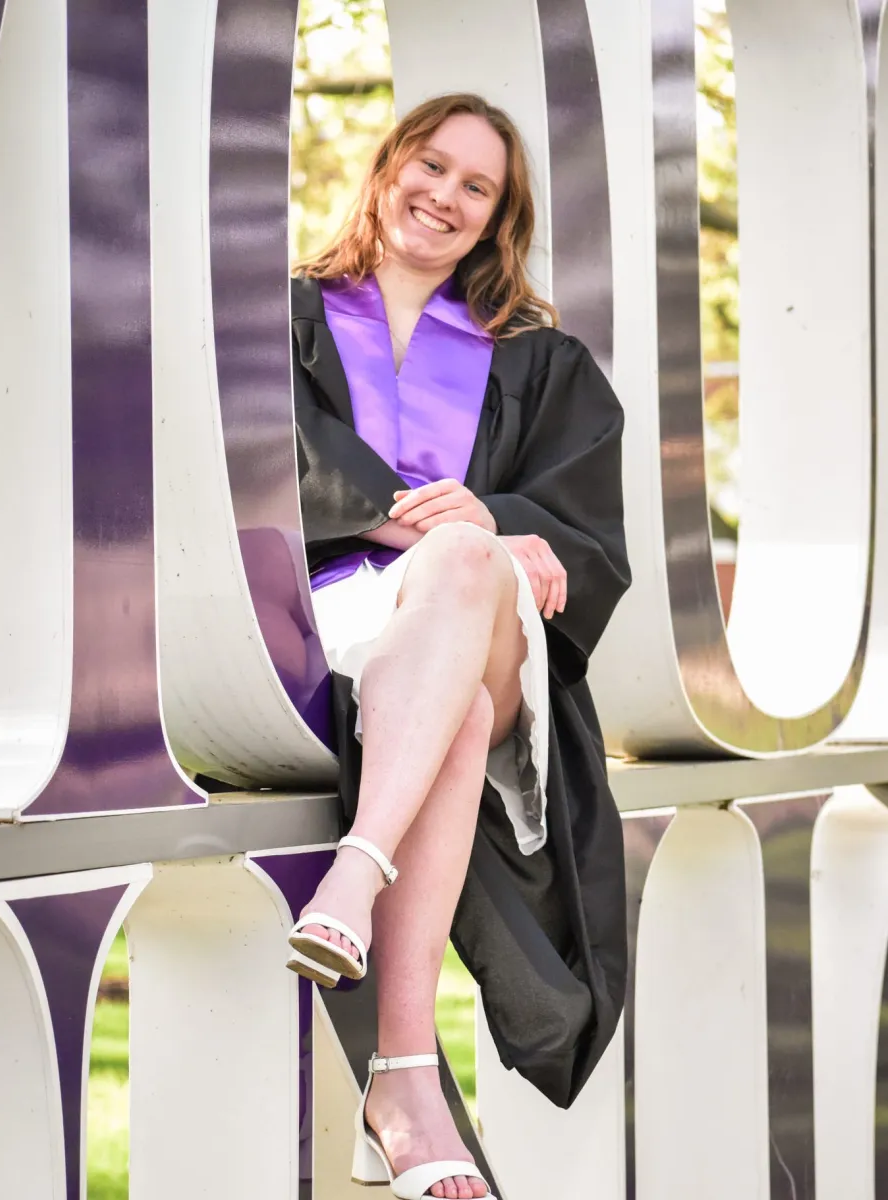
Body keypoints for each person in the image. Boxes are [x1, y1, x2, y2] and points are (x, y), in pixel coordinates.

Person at [287, 93, 631, 1200]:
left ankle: (355, 871)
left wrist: (491, 527)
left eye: (476, 186)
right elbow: (261, 469)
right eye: (430, 166)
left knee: (471, 566)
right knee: (460, 700)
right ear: (389, 165)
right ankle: (401, 1079)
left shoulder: (543, 362)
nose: (444, 196)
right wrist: (433, 526)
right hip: (321, 623)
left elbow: (586, 541)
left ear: (498, 217)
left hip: (483, 627)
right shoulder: (281, 322)